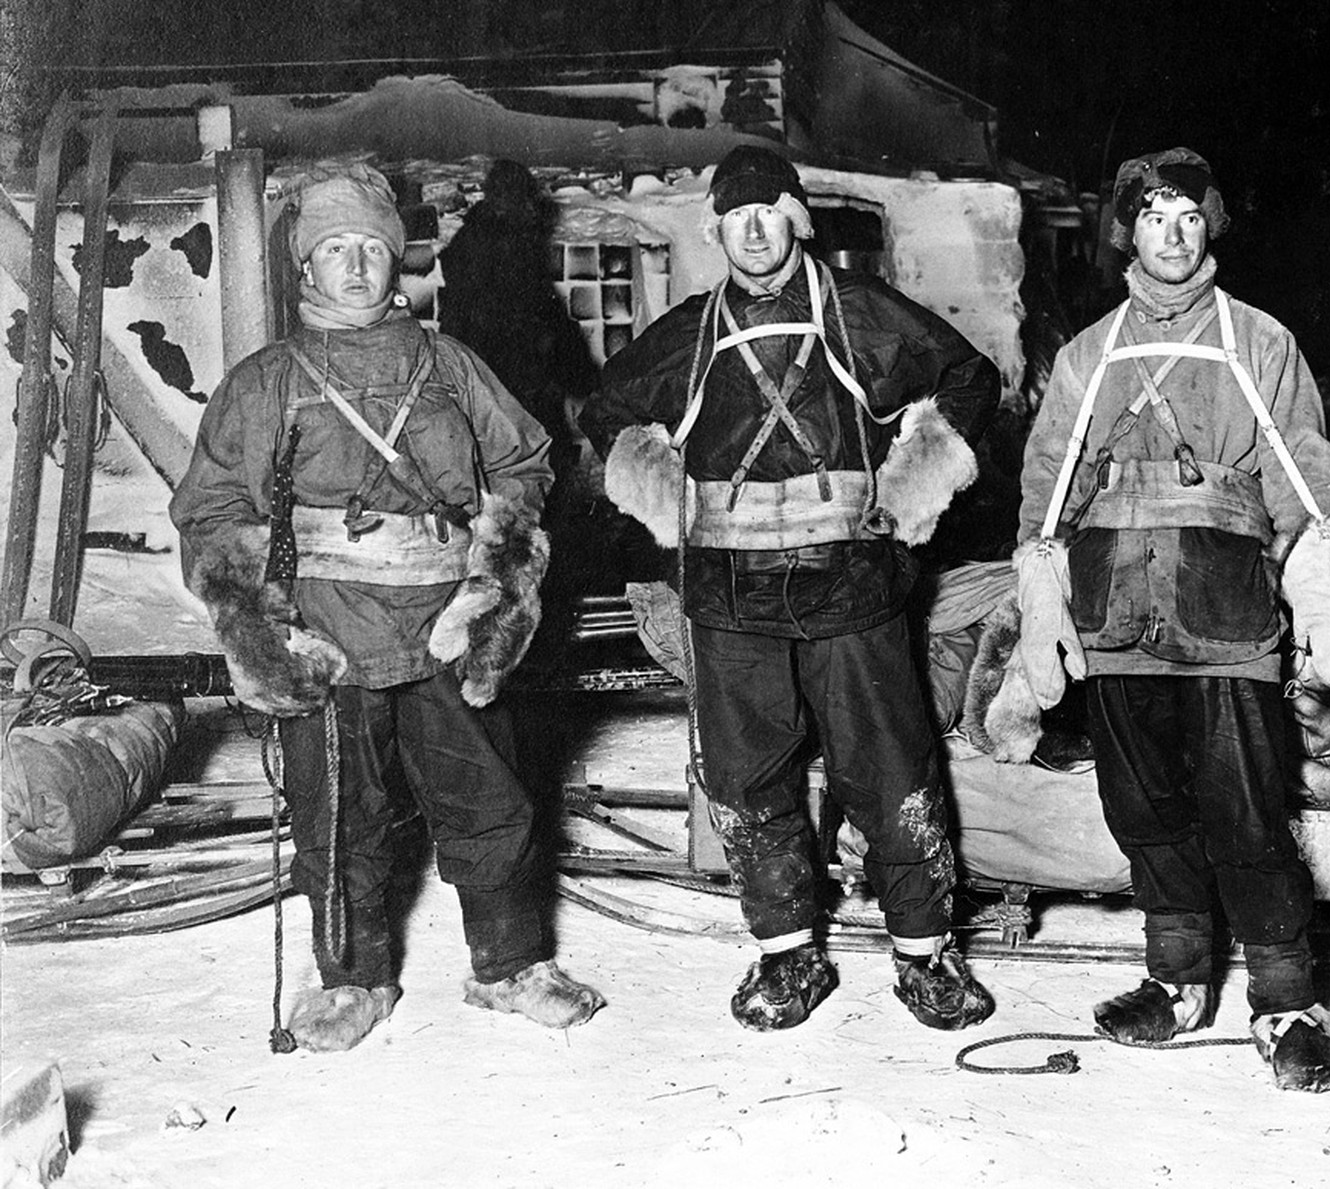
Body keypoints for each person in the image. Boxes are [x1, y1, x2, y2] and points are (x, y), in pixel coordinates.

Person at [170, 162, 604, 1052]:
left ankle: (512, 961)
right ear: (306, 270)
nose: (358, 267)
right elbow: (213, 511)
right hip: (327, 625)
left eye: (372, 247)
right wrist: (262, 633)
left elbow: (524, 462)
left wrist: (495, 586)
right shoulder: (267, 382)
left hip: (445, 620)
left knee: (492, 795)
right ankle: (352, 979)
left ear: (396, 260)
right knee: (340, 809)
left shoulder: (450, 366)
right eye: (336, 250)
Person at [580, 145, 1000, 1032]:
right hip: (730, 599)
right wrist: (665, 498)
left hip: (852, 589)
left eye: (771, 210)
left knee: (889, 767)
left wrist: (914, 481)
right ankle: (786, 953)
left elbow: (970, 376)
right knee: (744, 776)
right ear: (719, 229)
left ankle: (927, 955)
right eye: (738, 216)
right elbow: (606, 409)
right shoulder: (692, 332)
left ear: (796, 220)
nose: (756, 229)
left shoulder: (859, 314)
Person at [1012, 147, 1330, 1090]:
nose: (1173, 233)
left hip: (1226, 615)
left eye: (1189, 216)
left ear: (1210, 227)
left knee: (1247, 813)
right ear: (1129, 231)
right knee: (1143, 811)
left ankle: (1286, 998)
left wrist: (1317, 578)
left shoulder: (1260, 343)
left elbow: (1302, 478)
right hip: (1115, 617)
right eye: (1154, 215)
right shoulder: (1090, 354)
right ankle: (1176, 978)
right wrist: (1041, 586)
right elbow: (1050, 491)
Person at [436, 159, 599, 485]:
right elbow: (541, 317)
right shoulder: (502, 245)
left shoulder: (490, 241)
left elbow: (544, 314)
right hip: (508, 387)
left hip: (503, 389)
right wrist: (582, 376)